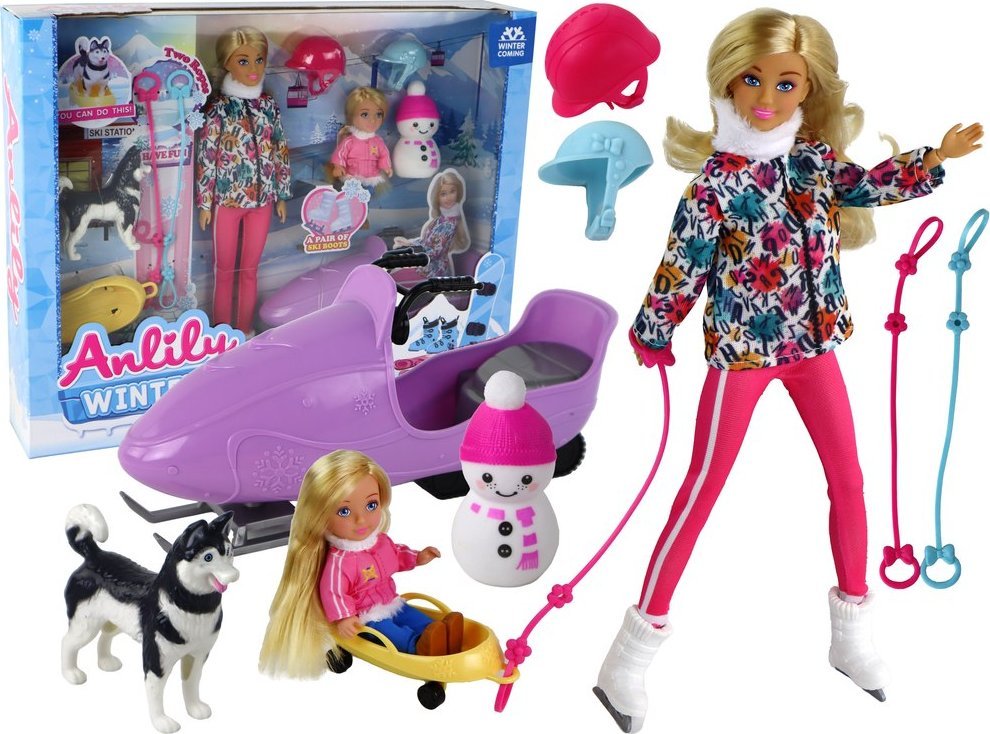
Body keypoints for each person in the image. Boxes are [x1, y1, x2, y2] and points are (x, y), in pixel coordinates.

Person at [593, 9, 983, 733]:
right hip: (743, 353)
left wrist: (936, 157)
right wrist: (654, 327)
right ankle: (629, 656)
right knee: (701, 489)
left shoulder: (813, 161)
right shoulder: (714, 184)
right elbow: (682, 264)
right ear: (727, 82)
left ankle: (852, 632)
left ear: (808, 89)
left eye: (785, 83)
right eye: (752, 80)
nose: (767, 97)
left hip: (814, 347)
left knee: (849, 479)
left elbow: (868, 185)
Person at [259, 450, 463, 680]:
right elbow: (334, 593)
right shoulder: (339, 562)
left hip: (391, 601)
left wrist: (417, 557)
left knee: (415, 618)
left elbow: (396, 554)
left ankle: (441, 633)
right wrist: (344, 617)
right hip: (366, 617)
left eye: (371, 505)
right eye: (344, 511)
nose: (361, 519)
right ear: (320, 516)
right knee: (393, 633)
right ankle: (419, 645)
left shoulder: (380, 542)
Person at [195, 26, 291, 334]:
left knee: (250, 270)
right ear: (227, 63)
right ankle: (222, 333)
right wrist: (205, 202)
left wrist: (281, 193)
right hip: (227, 200)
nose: (254, 68)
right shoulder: (219, 109)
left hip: (263, 201)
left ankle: (246, 329)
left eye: (259, 59)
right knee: (224, 271)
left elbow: (279, 148)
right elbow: (207, 156)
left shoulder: (268, 105)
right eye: (243, 60)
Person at [394, 167, 470, 278]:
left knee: (398, 271)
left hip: (434, 270)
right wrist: (409, 243)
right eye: (443, 194)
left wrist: (411, 251)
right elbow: (426, 242)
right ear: (437, 197)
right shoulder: (440, 219)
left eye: (452, 191)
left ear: (458, 192)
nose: (448, 197)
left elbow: (434, 252)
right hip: (427, 266)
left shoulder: (449, 224)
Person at [329, 86, 393, 187]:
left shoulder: (378, 141)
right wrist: (338, 166)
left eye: (378, 114)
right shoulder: (349, 141)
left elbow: (384, 155)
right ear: (351, 116)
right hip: (352, 177)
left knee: (371, 195)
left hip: (373, 178)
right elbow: (340, 154)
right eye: (365, 115)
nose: (373, 120)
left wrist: (386, 167)